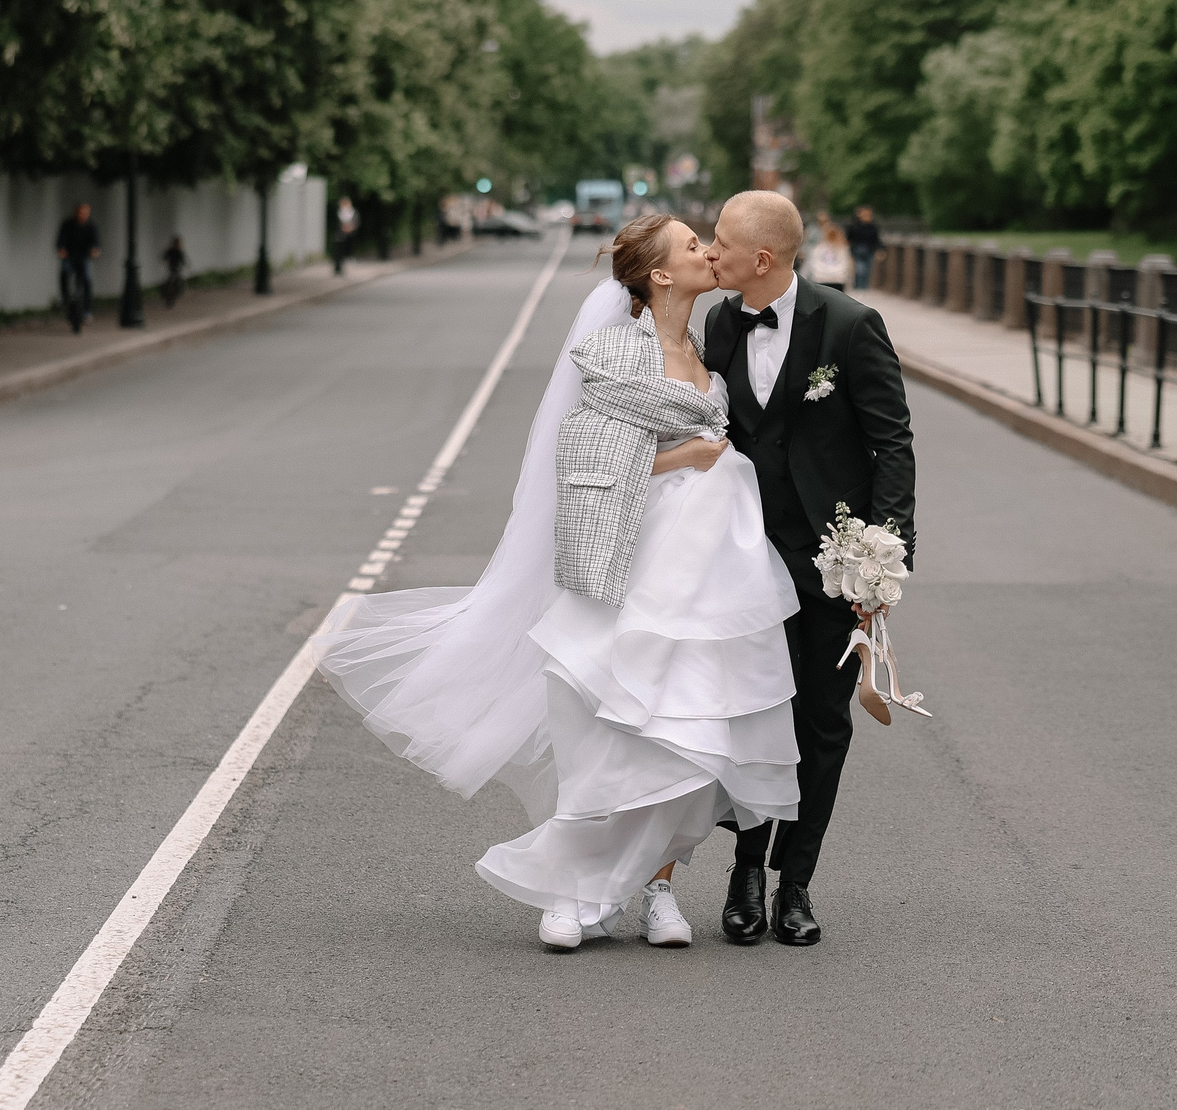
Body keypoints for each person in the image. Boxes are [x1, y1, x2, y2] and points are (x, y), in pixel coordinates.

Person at [318, 214, 799, 952]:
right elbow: (584, 454)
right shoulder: (611, 352)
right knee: (604, 720)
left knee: (689, 730)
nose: (707, 250)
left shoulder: (708, 351)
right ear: (661, 274)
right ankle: (571, 889)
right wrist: (687, 458)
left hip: (706, 574)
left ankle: (660, 887)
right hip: (630, 558)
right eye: (692, 245)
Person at [701, 189, 917, 947]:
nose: (709, 248)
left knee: (822, 723)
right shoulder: (722, 321)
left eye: (720, 239)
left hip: (833, 564)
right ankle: (745, 871)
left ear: (762, 258)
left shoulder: (854, 326)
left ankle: (797, 882)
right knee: (754, 716)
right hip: (745, 557)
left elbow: (892, 445)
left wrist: (882, 561)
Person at [56, 204, 100, 333]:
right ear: (76, 213)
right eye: (80, 213)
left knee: (86, 279)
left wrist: (94, 251)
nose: (81, 215)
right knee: (64, 273)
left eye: (84, 213)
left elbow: (95, 243)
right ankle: (66, 301)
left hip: (83, 258)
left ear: (88, 214)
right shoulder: (68, 224)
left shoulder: (91, 226)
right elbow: (61, 241)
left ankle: (86, 311)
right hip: (69, 257)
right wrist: (61, 250)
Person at [804, 214, 854, 291]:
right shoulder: (842, 249)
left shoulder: (818, 248)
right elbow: (846, 265)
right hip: (837, 278)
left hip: (821, 278)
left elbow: (813, 263)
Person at [845, 205, 882, 287]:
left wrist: (879, 249)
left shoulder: (873, 226)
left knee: (867, 270)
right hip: (857, 250)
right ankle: (859, 287)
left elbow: (876, 239)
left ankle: (864, 287)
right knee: (860, 269)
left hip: (869, 250)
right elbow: (849, 238)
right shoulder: (854, 226)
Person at [160, 235, 188, 309]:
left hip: (175, 269)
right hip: (173, 269)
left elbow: (183, 260)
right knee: (171, 283)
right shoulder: (174, 250)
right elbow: (165, 257)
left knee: (176, 283)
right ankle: (170, 296)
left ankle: (173, 295)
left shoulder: (177, 251)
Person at [333, 196, 359, 276]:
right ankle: (338, 268)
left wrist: (351, 228)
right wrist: (343, 228)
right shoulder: (339, 213)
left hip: (350, 234)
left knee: (349, 247)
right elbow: (338, 224)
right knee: (339, 251)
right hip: (341, 235)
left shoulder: (353, 212)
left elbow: (356, 222)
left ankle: (349, 257)